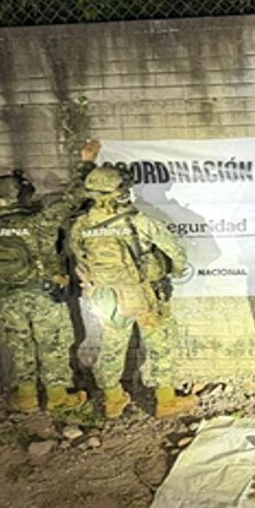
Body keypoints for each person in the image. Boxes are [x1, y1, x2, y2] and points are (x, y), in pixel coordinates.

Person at [0, 141, 99, 413]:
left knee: (20, 346)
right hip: (43, 295)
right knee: (53, 345)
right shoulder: (38, 222)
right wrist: (86, 162)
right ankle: (57, 396)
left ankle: (26, 397)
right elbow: (75, 198)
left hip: (7, 297)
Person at [68, 160, 193, 419]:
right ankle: (166, 401)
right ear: (119, 191)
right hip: (141, 294)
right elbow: (176, 252)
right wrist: (175, 270)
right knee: (160, 343)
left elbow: (79, 257)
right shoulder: (139, 221)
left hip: (104, 296)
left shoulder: (81, 224)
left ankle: (112, 399)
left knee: (112, 346)